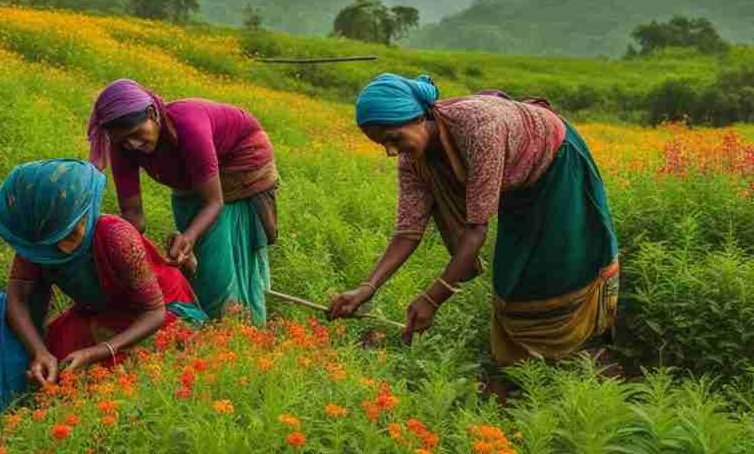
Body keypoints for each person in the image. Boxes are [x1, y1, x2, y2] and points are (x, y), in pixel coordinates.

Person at [328, 73, 620, 371]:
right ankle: (527, 372)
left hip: (557, 168)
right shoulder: (412, 162)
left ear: (418, 117)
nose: (391, 151)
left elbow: (476, 228)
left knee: (561, 269)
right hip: (516, 187)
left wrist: (433, 298)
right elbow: (408, 231)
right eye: (382, 144)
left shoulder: (478, 128)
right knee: (513, 278)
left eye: (394, 138)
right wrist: (366, 289)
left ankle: (585, 358)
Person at [0, 159, 206, 452]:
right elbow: (17, 298)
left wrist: (97, 352)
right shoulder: (41, 241)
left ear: (88, 210)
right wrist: (39, 353)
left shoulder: (117, 236)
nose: (62, 247)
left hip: (156, 310)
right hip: (100, 311)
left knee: (137, 385)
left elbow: (154, 312)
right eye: (55, 240)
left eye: (71, 233)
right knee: (55, 372)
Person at [88, 79, 279, 325]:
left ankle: (234, 330)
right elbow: (133, 215)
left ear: (152, 113)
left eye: (136, 134)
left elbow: (213, 201)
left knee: (215, 267)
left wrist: (188, 237)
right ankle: (209, 324)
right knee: (187, 259)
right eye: (124, 140)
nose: (133, 144)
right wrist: (119, 252)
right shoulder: (122, 146)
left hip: (239, 166)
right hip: (193, 180)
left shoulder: (189, 126)